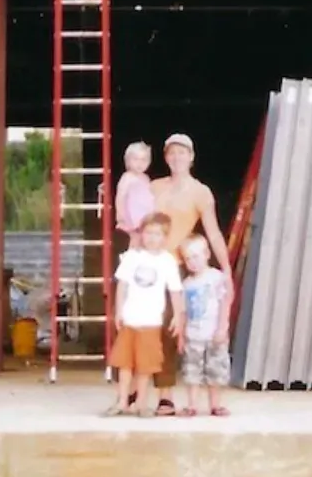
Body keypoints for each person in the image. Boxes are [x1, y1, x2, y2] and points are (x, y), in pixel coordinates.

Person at [147, 133, 233, 417]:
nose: (177, 157)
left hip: (179, 265)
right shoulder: (154, 187)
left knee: (178, 329)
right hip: (152, 264)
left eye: (182, 152)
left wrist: (226, 268)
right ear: (166, 157)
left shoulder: (201, 192)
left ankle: (202, 399)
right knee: (156, 329)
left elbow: (213, 232)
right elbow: (140, 224)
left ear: (191, 157)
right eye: (172, 153)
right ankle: (164, 396)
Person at [105, 212, 185, 418]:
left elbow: (175, 291)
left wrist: (178, 316)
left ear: (165, 238)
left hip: (151, 322)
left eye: (157, 234)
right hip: (130, 320)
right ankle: (122, 401)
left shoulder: (168, 261)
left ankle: (141, 403)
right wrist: (118, 311)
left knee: (145, 366)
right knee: (125, 364)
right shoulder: (131, 257)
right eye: (148, 233)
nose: (151, 238)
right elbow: (122, 285)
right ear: (141, 234)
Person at [178, 234, 231, 417]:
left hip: (214, 334)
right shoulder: (186, 284)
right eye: (188, 259)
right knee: (192, 371)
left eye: (196, 256)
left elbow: (224, 304)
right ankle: (192, 405)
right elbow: (183, 312)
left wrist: (222, 328)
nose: (192, 262)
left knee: (215, 371)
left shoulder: (217, 278)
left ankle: (215, 405)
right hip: (193, 336)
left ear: (207, 254)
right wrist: (181, 335)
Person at [115, 141, 155, 249]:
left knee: (145, 243)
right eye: (135, 159)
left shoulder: (146, 178)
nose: (139, 163)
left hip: (145, 218)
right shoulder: (127, 177)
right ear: (128, 160)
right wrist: (120, 218)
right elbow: (120, 197)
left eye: (143, 160)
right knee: (134, 243)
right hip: (131, 219)